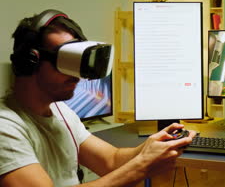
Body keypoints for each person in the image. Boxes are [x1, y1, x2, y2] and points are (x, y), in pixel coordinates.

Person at [0, 10, 196, 186]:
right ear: (30, 62)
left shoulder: (62, 112)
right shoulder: (5, 127)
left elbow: (110, 160)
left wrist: (151, 147)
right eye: (65, 62)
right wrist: (142, 166)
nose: (76, 76)